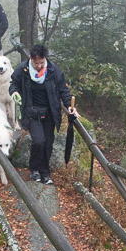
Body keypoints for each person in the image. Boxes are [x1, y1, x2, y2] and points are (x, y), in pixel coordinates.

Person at [8, 44, 77, 185]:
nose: (39, 66)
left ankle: (45, 172)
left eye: (41, 62)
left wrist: (70, 106)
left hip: (50, 113)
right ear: (30, 59)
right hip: (32, 112)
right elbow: (13, 83)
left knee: (48, 143)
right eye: (36, 63)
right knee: (38, 141)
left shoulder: (53, 70)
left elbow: (63, 90)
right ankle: (34, 169)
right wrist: (14, 92)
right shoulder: (23, 69)